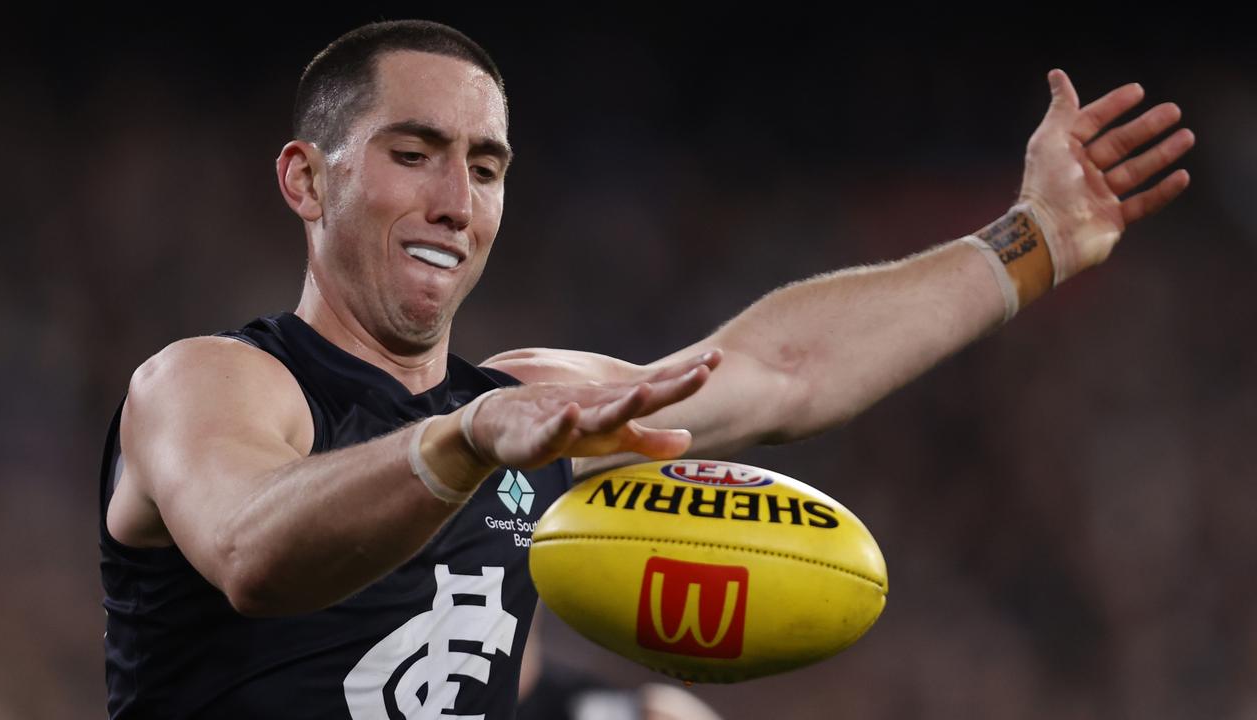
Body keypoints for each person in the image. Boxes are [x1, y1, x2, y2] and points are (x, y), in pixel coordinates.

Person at [97, 18, 1193, 720]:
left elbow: (781, 372)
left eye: (485, 167)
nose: (454, 199)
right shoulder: (210, 383)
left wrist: (1031, 238)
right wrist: (461, 441)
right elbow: (253, 549)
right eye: (412, 152)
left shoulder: (525, 405)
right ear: (305, 179)